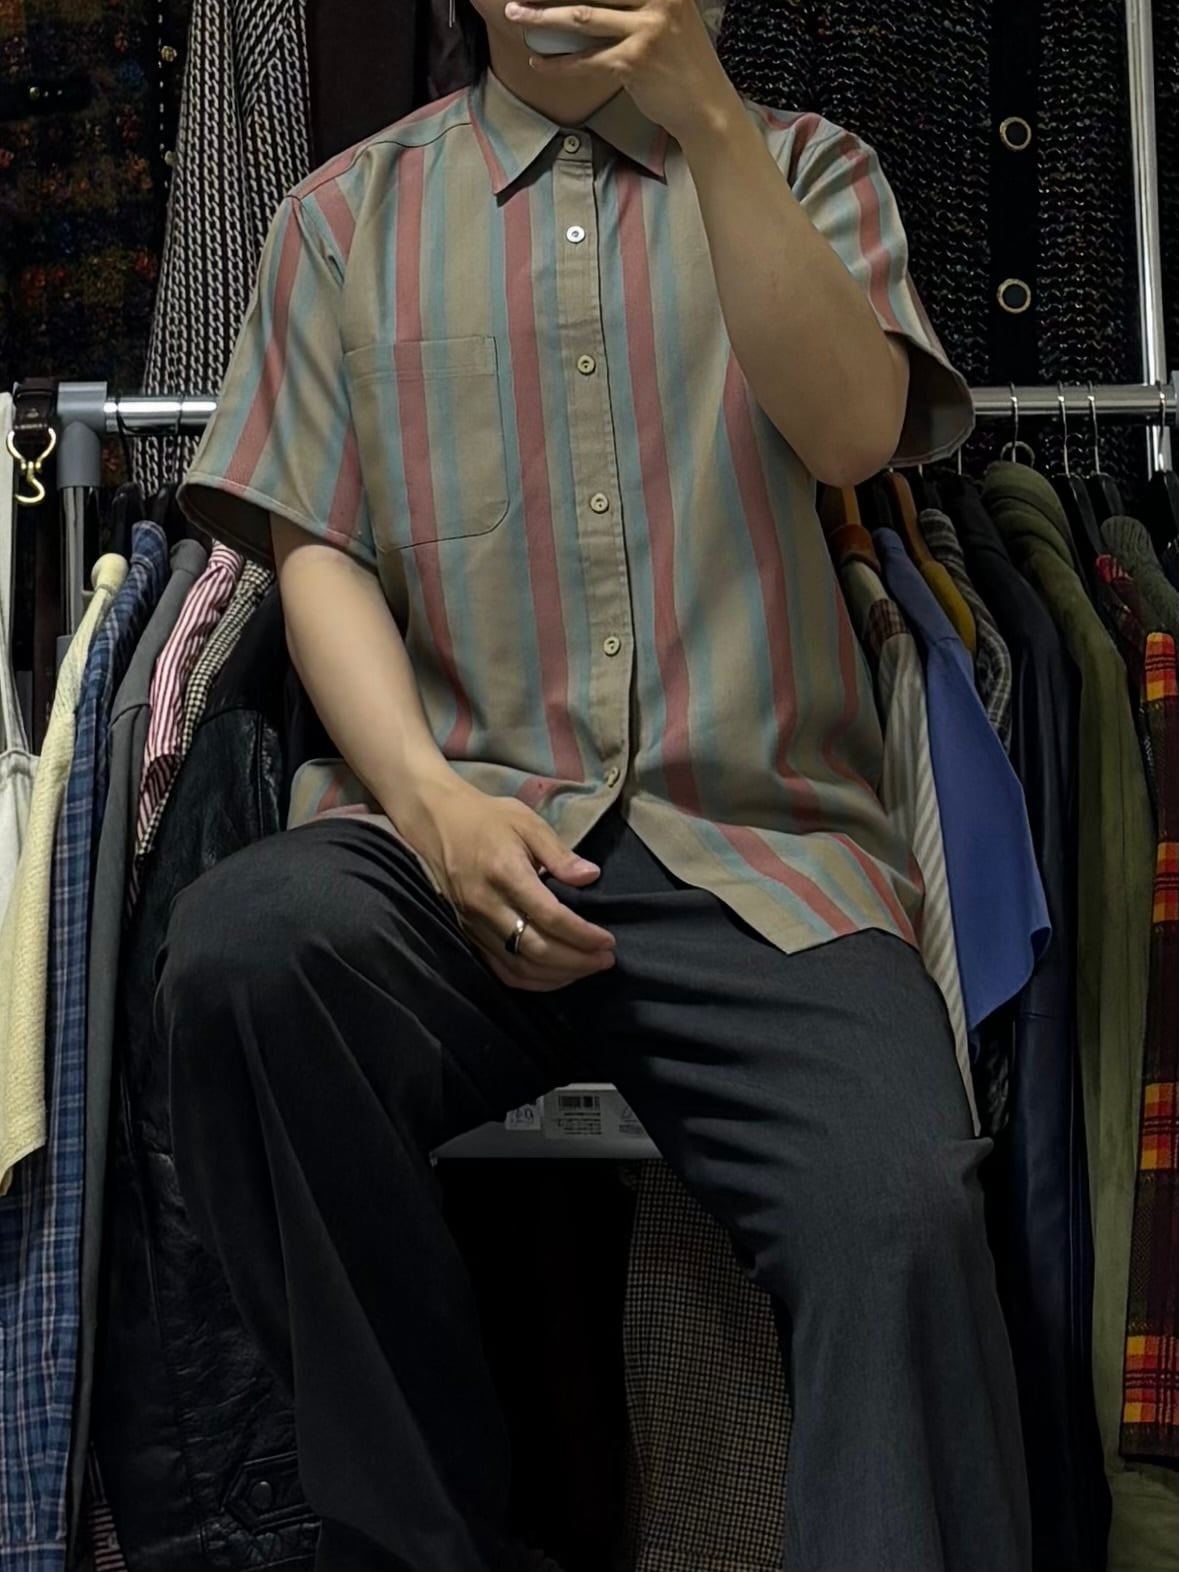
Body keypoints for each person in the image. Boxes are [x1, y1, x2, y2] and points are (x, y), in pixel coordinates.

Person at [164, 1, 1032, 1568]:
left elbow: (853, 435)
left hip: (766, 857)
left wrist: (707, 119)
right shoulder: (344, 218)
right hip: (455, 852)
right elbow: (316, 553)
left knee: (904, 1211)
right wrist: (428, 804)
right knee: (244, 953)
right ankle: (423, 1543)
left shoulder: (809, 170)